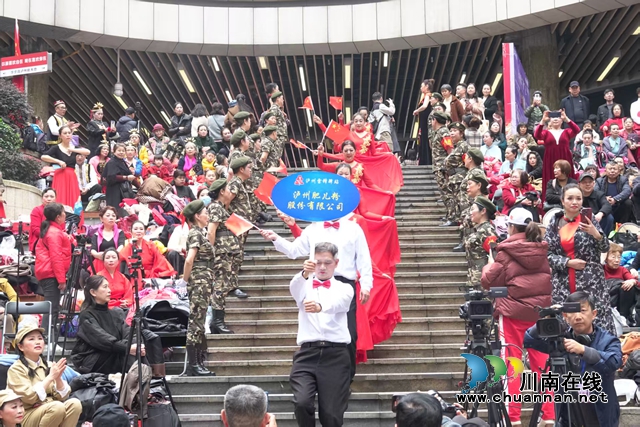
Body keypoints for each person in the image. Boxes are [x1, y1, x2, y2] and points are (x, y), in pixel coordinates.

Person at [261, 216, 373, 381]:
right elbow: (294, 250)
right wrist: (275, 238)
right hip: (315, 282)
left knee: (349, 331)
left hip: (343, 284)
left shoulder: (353, 228)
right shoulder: (313, 228)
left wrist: (366, 284)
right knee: (314, 327)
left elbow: (363, 258)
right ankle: (312, 376)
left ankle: (345, 379)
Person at [481, 208, 554, 424]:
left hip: (512, 313)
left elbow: (488, 281)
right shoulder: (542, 250)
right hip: (539, 314)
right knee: (543, 364)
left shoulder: (504, 252)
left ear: (511, 227)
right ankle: (549, 415)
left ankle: (512, 417)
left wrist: (488, 265)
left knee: (511, 364)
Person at [524, 291, 622, 427]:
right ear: (565, 316)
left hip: (600, 410)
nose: (577, 316)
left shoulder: (607, 339)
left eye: (582, 311)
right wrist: (546, 318)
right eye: (573, 312)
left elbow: (614, 362)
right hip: (567, 412)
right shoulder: (560, 340)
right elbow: (529, 340)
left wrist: (583, 350)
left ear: (594, 314)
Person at [288, 243, 353, 427]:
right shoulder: (304, 285)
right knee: (302, 402)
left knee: (331, 415)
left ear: (336, 263)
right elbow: (294, 287)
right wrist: (304, 273)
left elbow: (340, 303)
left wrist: (320, 307)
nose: (322, 267)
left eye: (327, 262)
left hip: (336, 355)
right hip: (307, 354)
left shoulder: (345, 288)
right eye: (318, 262)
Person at [545, 184, 614, 334]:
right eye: (570, 198)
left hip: (591, 281)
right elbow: (547, 255)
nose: (574, 202)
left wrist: (596, 234)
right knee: (565, 323)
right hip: (563, 282)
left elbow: (605, 248)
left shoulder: (590, 220)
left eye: (578, 198)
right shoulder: (554, 223)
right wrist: (568, 263)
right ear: (562, 201)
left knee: (595, 321)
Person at [71, 275, 165, 377]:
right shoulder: (86, 315)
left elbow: (129, 333)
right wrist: (127, 347)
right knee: (129, 353)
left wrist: (135, 346)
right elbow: (101, 339)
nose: (109, 290)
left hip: (114, 353)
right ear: (93, 292)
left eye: (108, 286)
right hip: (93, 359)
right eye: (105, 287)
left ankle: (142, 385)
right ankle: (142, 385)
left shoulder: (115, 313)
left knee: (135, 349)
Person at [7, 324, 82, 427]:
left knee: (75, 404)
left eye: (40, 338)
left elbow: (62, 396)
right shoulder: (16, 369)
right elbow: (29, 397)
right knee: (57, 407)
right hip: (27, 413)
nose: (37, 342)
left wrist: (58, 378)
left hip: (49, 408)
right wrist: (51, 377)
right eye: (31, 339)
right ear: (21, 347)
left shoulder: (49, 365)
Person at [182, 200, 216, 376]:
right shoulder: (195, 234)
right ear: (197, 216)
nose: (207, 215)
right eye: (205, 212)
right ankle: (193, 365)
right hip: (199, 280)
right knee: (196, 322)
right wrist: (185, 280)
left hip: (204, 279)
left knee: (200, 321)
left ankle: (198, 363)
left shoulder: (200, 233)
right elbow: (189, 259)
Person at [207, 179, 241, 334]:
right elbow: (211, 231)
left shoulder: (221, 208)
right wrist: (211, 251)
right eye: (227, 189)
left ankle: (219, 320)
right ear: (221, 191)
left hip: (227, 251)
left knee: (224, 285)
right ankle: (217, 322)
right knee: (220, 286)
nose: (230, 191)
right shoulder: (215, 207)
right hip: (221, 252)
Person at [34, 203, 73, 336]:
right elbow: (56, 258)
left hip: (47, 272)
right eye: (63, 212)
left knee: (52, 307)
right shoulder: (54, 233)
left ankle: (49, 337)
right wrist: (61, 280)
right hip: (51, 273)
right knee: (52, 308)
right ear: (57, 217)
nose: (65, 215)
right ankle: (47, 338)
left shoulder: (52, 230)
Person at [40, 125, 91, 210]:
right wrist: (58, 161)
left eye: (69, 133)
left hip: (71, 176)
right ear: (60, 136)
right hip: (60, 175)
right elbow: (43, 156)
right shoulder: (56, 147)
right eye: (65, 133)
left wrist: (72, 150)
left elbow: (88, 152)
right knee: (60, 196)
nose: (67, 135)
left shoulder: (74, 148)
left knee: (74, 198)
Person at [535, 110, 580, 199]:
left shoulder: (566, 131)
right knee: (550, 178)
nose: (555, 119)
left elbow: (577, 130)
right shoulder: (546, 132)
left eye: (558, 117)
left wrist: (567, 119)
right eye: (553, 117)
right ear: (550, 120)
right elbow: (537, 135)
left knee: (568, 178)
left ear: (561, 120)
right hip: (550, 159)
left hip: (565, 158)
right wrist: (543, 121)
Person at [464, 196, 497, 288]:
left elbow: (494, 256)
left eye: (473, 209)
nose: (470, 213)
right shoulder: (479, 229)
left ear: (483, 211)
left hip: (483, 281)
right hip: (474, 278)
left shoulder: (488, 231)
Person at [604, 243, 640, 327]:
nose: (616, 260)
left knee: (628, 286)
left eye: (619, 257)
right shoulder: (600, 269)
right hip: (607, 300)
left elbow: (636, 282)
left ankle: (623, 317)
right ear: (606, 258)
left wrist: (633, 281)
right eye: (613, 257)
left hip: (621, 304)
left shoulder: (622, 270)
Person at [102, 143, 136, 216]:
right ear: (114, 152)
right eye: (119, 150)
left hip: (123, 190)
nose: (121, 152)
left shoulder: (122, 162)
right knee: (114, 210)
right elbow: (111, 177)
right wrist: (126, 177)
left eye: (123, 151)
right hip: (114, 190)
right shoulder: (112, 162)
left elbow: (130, 175)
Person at [413, 79, 434, 165]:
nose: (421, 88)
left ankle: (426, 160)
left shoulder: (427, 95)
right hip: (423, 119)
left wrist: (416, 110)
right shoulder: (424, 95)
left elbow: (425, 106)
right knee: (423, 138)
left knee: (425, 137)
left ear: (427, 87)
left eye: (422, 86)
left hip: (425, 119)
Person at [29, 188, 57, 253]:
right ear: (42, 198)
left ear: (55, 199)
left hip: (55, 240)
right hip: (40, 240)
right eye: (46, 196)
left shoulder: (59, 211)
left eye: (52, 197)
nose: (49, 199)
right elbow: (36, 230)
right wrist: (50, 237)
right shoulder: (36, 210)